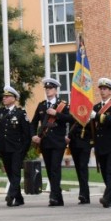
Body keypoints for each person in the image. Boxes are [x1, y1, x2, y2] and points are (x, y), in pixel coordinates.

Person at [0, 86, 30, 207]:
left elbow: (27, 135)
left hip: (17, 149)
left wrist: (23, 151)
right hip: (4, 148)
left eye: (7, 96)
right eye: (3, 96)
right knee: (10, 173)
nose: (4, 98)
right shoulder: (0, 112)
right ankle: (19, 198)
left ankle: (11, 195)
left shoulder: (20, 113)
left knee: (15, 172)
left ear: (14, 98)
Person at [31, 77, 72, 206]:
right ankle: (58, 196)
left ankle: (53, 196)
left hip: (58, 142)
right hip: (45, 142)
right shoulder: (42, 105)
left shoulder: (63, 105)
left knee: (55, 167)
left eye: (50, 88)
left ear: (55, 90)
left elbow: (71, 119)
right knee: (49, 169)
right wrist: (33, 135)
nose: (48, 90)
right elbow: (33, 122)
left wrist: (56, 114)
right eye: (47, 88)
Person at [92, 77, 111, 207]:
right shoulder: (96, 107)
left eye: (105, 89)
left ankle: (107, 198)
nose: (102, 91)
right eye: (101, 89)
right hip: (100, 145)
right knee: (105, 173)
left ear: (110, 91)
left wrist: (96, 116)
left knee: (110, 172)